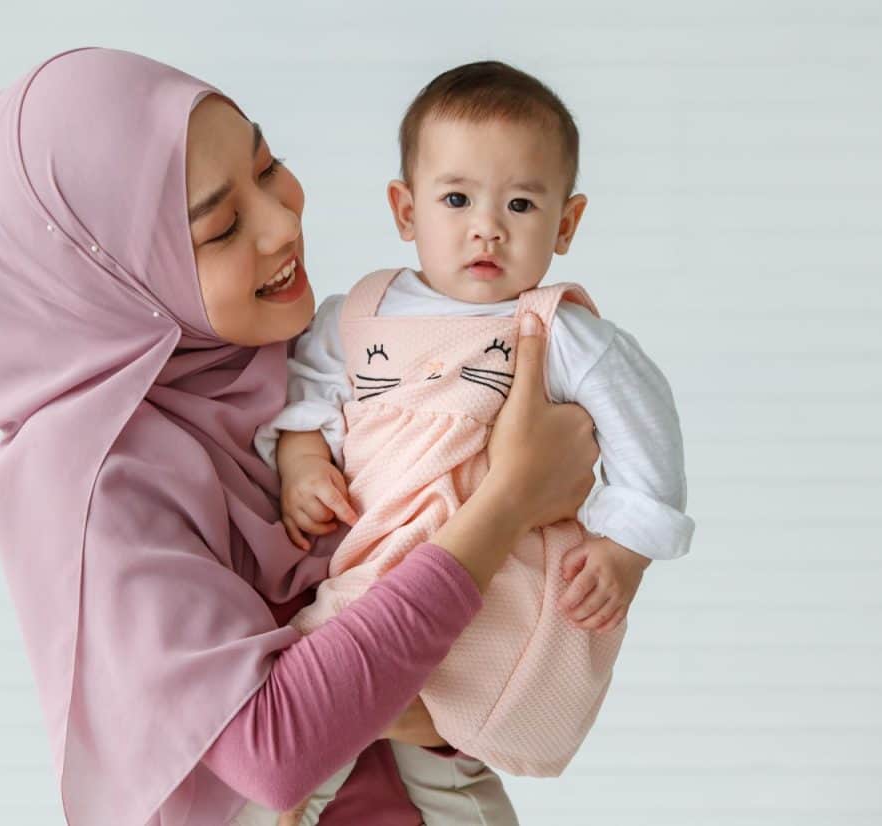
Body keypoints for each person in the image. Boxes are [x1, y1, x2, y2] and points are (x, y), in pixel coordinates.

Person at [0, 47, 598, 826]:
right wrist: (507, 500)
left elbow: (484, 679)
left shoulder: (296, 360)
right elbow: (276, 749)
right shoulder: (98, 494)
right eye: (221, 227)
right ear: (109, 282)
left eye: (269, 166)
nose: (284, 221)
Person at [255, 61, 695, 822]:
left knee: (382, 718)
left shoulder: (559, 330)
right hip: (379, 561)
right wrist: (301, 461)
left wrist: (626, 548)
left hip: (484, 577)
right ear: (405, 208)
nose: (487, 226)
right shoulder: (358, 312)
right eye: (456, 198)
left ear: (566, 223)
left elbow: (645, 423)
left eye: (521, 203)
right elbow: (309, 393)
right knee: (329, 693)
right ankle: (289, 798)